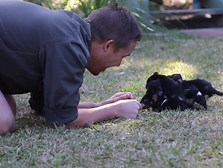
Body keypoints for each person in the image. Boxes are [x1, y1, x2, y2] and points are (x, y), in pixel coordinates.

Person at [0, 1, 142, 136]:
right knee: (4, 122)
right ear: (108, 46)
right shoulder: (69, 45)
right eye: (122, 57)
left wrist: (99, 105)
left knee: (9, 111)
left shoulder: (70, 31)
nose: (118, 64)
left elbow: (47, 108)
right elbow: (63, 120)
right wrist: (113, 110)